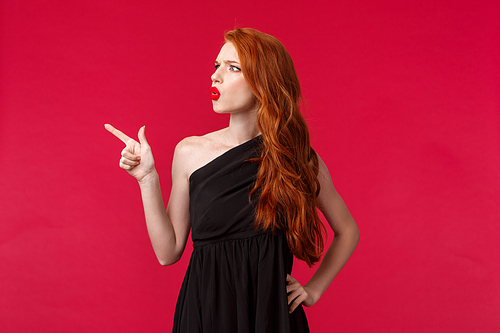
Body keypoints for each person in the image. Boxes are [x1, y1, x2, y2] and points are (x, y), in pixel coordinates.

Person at [105, 28, 359, 333]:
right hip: (206, 315)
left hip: (270, 316)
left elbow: (347, 230)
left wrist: (313, 290)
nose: (215, 77)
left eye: (233, 68)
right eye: (216, 66)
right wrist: (147, 178)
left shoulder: (297, 158)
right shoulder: (189, 152)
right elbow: (167, 251)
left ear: (264, 82)